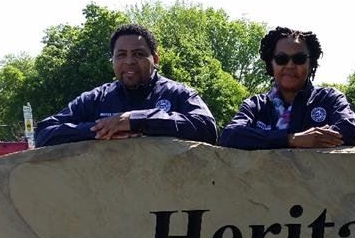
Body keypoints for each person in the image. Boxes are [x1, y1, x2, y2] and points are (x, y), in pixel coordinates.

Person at [34, 24, 218, 147]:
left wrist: (136, 120)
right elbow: (44, 133)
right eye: (121, 55)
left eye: (138, 54)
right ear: (112, 61)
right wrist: (100, 130)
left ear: (155, 59)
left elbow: (207, 128)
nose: (129, 61)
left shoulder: (179, 94)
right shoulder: (95, 99)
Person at [219, 27, 355, 149]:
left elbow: (350, 131)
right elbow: (230, 135)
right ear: (271, 64)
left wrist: (265, 140)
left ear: (311, 64)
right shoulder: (255, 105)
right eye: (281, 59)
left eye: (299, 59)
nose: (290, 65)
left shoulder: (330, 98)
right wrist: (291, 139)